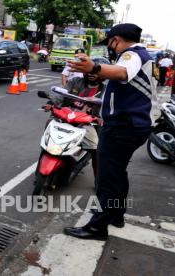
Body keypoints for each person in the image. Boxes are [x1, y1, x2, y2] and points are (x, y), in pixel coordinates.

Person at [63, 23, 156, 240]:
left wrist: (95, 68)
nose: (110, 48)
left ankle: (97, 227)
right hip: (133, 125)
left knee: (107, 179)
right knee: (117, 174)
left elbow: (123, 72)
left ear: (116, 40)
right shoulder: (143, 56)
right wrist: (97, 100)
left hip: (123, 127)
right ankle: (116, 215)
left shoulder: (131, 55)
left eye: (110, 43)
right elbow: (122, 89)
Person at [49, 62, 108, 179]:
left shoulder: (105, 90)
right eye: (90, 71)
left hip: (86, 123)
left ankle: (98, 180)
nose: (91, 74)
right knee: (49, 126)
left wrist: (101, 118)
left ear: (102, 75)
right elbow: (62, 93)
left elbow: (108, 108)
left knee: (95, 149)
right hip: (66, 117)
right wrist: (51, 103)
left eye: (95, 72)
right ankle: (40, 171)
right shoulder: (75, 81)